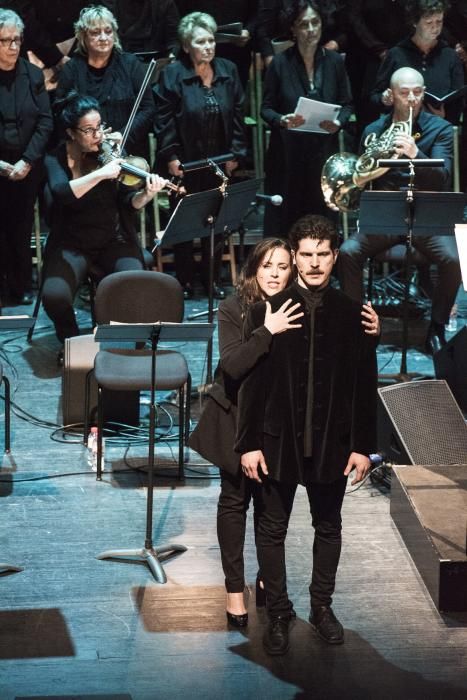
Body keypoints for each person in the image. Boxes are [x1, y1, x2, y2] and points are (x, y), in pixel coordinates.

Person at [190, 235, 380, 627]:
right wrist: (267, 330)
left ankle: (270, 588)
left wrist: (373, 334)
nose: (275, 274)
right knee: (234, 502)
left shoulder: (297, 304)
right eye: (267, 266)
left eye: (282, 266)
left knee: (270, 513)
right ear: (254, 270)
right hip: (235, 416)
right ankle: (234, 591)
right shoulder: (237, 309)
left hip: (279, 425)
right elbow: (234, 366)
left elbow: (342, 363)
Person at [234, 214, 378, 655]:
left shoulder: (355, 315)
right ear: (295, 257)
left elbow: (362, 386)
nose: (315, 264)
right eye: (307, 255)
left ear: (335, 257)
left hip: (332, 442)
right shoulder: (266, 311)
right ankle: (279, 612)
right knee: (271, 528)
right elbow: (251, 385)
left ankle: (321, 607)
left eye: (323, 255)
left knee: (328, 525)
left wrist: (363, 448)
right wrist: (248, 444)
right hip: (277, 439)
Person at [339, 66, 461, 355]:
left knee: (454, 259)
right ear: (391, 95)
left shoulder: (440, 129)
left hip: (426, 219)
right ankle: (359, 327)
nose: (412, 99)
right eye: (404, 93)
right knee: (347, 252)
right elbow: (360, 177)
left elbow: (443, 176)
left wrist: (415, 154)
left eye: (418, 92)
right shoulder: (373, 131)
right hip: (385, 217)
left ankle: (438, 326)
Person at [41, 92, 166, 361]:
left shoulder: (109, 156)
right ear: (71, 133)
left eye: (99, 127)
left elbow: (127, 202)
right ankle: (72, 342)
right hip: (71, 244)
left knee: (133, 282)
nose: (98, 135)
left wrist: (146, 195)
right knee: (54, 295)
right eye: (89, 130)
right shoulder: (55, 159)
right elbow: (62, 192)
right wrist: (100, 175)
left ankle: (111, 338)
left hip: (113, 240)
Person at [154, 11, 246, 299]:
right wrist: (171, 157)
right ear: (186, 46)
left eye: (211, 40)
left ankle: (210, 279)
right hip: (185, 162)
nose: (208, 47)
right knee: (184, 223)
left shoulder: (228, 70)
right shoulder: (172, 75)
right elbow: (164, 120)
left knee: (216, 223)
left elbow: (239, 115)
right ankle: (183, 281)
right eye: (200, 42)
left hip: (220, 161)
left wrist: (236, 154)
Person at [260, 0, 353, 236]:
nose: (311, 30)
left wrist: (339, 122)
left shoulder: (334, 61)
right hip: (288, 156)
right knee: (288, 221)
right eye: (304, 24)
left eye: (315, 23)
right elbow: (266, 109)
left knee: (322, 221)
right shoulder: (280, 63)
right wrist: (283, 119)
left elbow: (347, 103)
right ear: (293, 28)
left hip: (322, 154)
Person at [0, 8, 53, 305]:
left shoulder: (32, 74)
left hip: (25, 166)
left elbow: (45, 121)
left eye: (16, 40)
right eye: (5, 40)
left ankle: (21, 286)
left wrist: (27, 160)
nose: (12, 46)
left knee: (19, 229)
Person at [55, 5, 155, 158]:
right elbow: (62, 114)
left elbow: (147, 108)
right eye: (95, 33)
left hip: (129, 149)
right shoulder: (71, 69)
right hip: (85, 154)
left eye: (108, 31)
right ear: (83, 36)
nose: (103, 37)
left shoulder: (130, 64)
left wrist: (122, 135)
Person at [370, 0, 465, 125]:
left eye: (439, 21)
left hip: (439, 128)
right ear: (415, 23)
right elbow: (375, 95)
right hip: (402, 127)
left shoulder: (450, 55)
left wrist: (444, 117)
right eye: (429, 22)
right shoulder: (396, 54)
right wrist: (384, 98)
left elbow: (458, 97)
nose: (435, 27)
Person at [101, 0, 180, 57]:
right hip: (120, 57)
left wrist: (172, 56)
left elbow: (174, 38)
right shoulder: (111, 3)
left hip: (155, 58)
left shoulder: (164, 3)